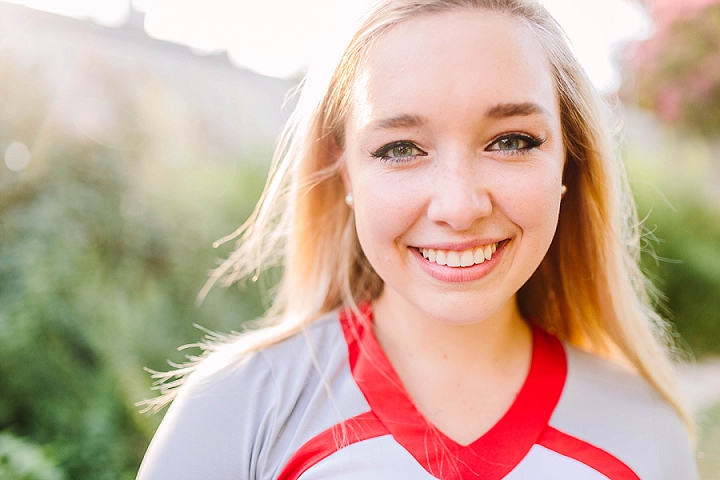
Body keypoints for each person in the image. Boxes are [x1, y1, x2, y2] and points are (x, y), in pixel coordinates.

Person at [136, 0, 699, 478]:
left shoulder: (647, 435)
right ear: (347, 172)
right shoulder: (235, 410)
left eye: (511, 140)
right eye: (401, 148)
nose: (458, 207)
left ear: (567, 165)